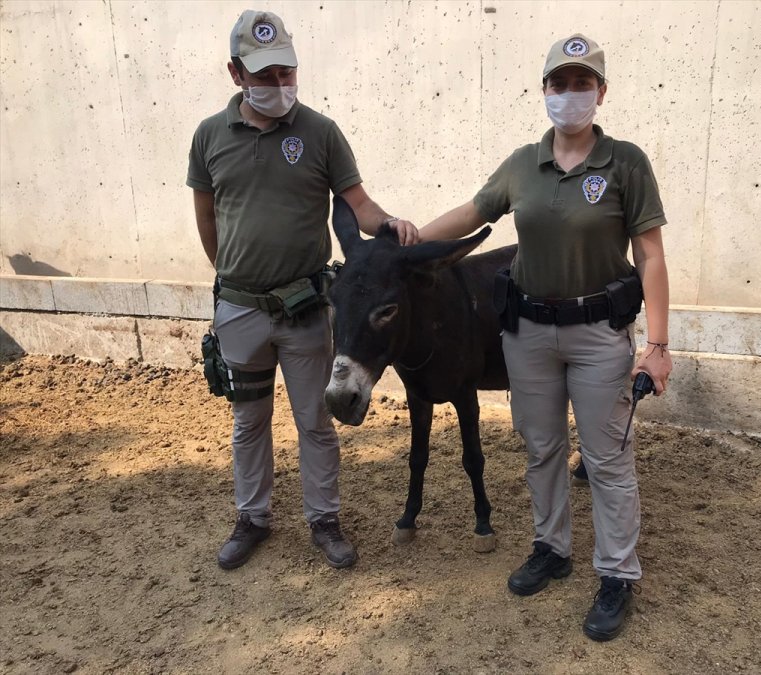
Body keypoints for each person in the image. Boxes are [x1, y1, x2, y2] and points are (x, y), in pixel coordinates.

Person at [419, 34, 672, 641]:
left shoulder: (626, 163)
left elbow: (651, 254)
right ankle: (551, 549)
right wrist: (408, 244)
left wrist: (657, 346)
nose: (570, 94)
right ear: (544, 92)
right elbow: (473, 212)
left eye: (582, 83)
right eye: (559, 83)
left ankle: (616, 573)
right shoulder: (521, 165)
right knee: (542, 450)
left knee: (608, 458)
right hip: (527, 334)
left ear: (601, 93)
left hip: (597, 336)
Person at [187, 9, 418, 571]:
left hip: (307, 309)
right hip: (240, 310)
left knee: (315, 420)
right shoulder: (209, 136)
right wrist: (232, 280)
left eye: (287, 72)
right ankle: (252, 518)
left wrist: (393, 227)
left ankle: (324, 519)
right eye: (265, 75)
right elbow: (206, 213)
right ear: (236, 73)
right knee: (249, 421)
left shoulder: (320, 132)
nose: (279, 85)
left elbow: (359, 205)